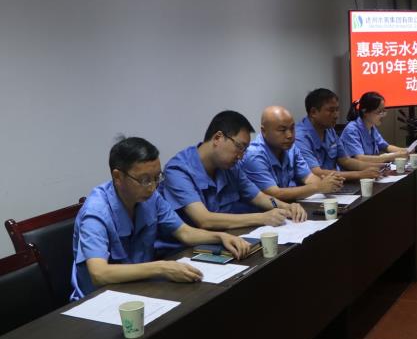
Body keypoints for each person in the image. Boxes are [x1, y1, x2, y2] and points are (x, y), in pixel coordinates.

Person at [70, 137, 251, 300]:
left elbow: (185, 233)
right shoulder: (95, 212)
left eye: (157, 178)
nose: (152, 187)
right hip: (100, 300)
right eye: (144, 180)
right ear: (118, 177)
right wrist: (161, 268)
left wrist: (220, 236)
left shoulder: (151, 198)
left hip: (142, 288)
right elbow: (99, 273)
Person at [160, 110, 306, 238]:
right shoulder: (178, 170)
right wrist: (262, 218)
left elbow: (259, 197)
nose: (241, 156)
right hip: (186, 250)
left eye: (244, 150)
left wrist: (287, 207)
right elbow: (204, 219)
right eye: (239, 147)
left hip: (229, 238)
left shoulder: (230, 167)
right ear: (218, 138)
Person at [241, 105, 344, 201]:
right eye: (282, 130)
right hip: (262, 211)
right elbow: (274, 194)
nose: (289, 135)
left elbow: (308, 177)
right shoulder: (254, 155)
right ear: (264, 131)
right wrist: (318, 187)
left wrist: (329, 184)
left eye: (292, 128)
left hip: (285, 207)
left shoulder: (291, 148)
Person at [294, 88, 382, 181]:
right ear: (313, 112)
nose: (336, 115)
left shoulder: (329, 129)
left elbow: (345, 160)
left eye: (337, 110)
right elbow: (316, 173)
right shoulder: (300, 137)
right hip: (315, 187)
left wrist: (379, 167)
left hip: (335, 183)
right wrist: (360, 174)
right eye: (331, 110)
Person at [340, 91, 409, 163]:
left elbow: (385, 146)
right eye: (379, 112)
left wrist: (405, 151)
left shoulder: (371, 127)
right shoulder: (351, 130)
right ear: (365, 112)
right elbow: (359, 159)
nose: (383, 115)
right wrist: (391, 157)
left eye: (384, 111)